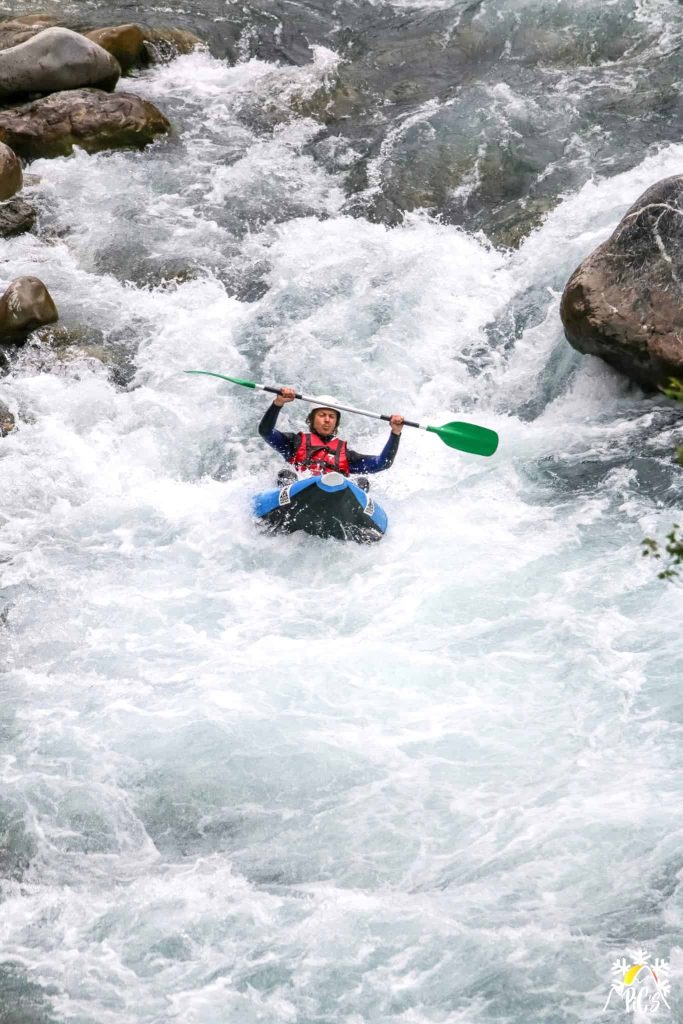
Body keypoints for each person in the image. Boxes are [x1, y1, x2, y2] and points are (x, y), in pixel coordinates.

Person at [259, 386, 404, 489]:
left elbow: (383, 463)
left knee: (361, 482)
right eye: (322, 415)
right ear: (312, 419)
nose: (327, 419)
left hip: (334, 496)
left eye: (332, 416)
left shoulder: (347, 455)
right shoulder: (293, 443)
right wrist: (278, 403)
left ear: (336, 423)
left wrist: (395, 433)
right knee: (286, 474)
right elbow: (265, 431)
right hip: (300, 493)